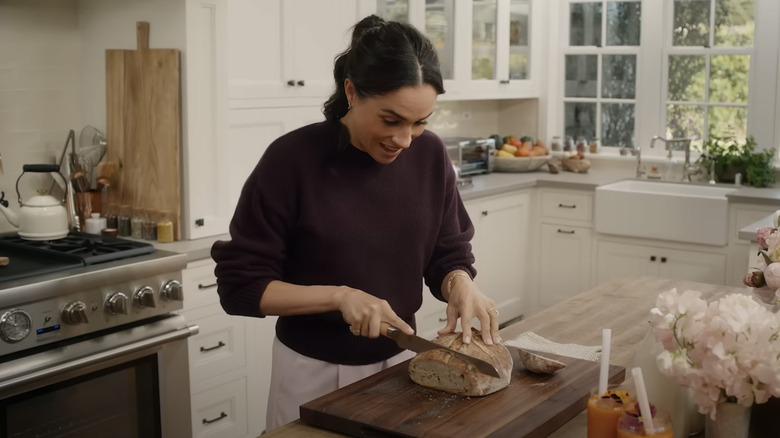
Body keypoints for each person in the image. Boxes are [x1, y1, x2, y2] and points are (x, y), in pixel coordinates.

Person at [211, 14, 501, 432]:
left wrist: (460, 282)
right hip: (310, 373)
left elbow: (446, 251)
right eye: (391, 120)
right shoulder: (291, 160)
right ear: (351, 92)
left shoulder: (430, 155)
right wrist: (339, 296)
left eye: (420, 122)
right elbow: (240, 288)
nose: (404, 140)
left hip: (405, 364)